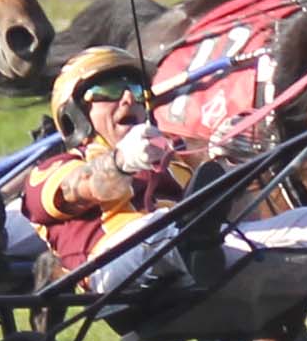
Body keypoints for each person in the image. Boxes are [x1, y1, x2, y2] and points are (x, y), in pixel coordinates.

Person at [22, 45, 188, 280]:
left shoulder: (173, 158)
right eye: (111, 90)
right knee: (172, 230)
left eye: (137, 90)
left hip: (190, 241)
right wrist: (121, 162)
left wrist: (229, 155)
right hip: (109, 262)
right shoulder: (54, 168)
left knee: (254, 240)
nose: (129, 98)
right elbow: (76, 188)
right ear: (75, 113)